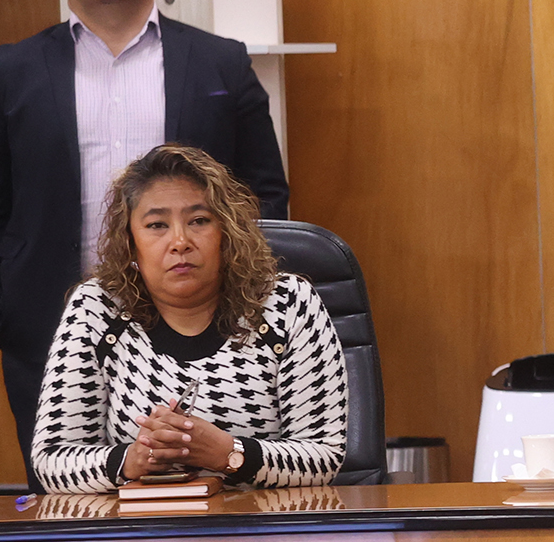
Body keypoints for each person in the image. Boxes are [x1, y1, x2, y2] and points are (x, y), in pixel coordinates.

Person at [0, 0, 290, 481]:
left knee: (216, 493)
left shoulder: (219, 62)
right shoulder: (10, 72)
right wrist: (3, 315)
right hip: (50, 327)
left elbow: (263, 192)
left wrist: (245, 297)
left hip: (205, 325)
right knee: (69, 496)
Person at [31, 145, 346, 493]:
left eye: (199, 221)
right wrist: (132, 460)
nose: (180, 242)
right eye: (157, 225)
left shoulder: (286, 303)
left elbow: (325, 456)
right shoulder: (98, 308)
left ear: (227, 232)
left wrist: (228, 454)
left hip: (261, 521)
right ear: (130, 243)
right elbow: (52, 460)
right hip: (138, 524)